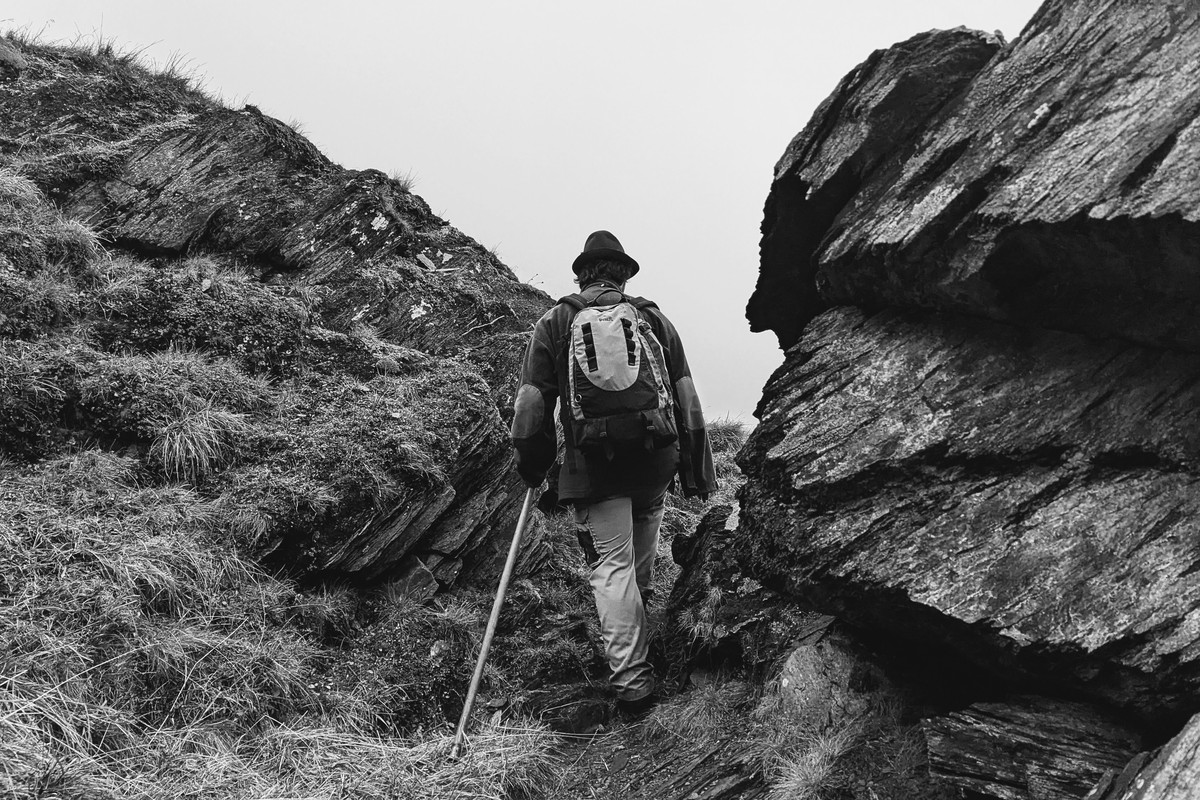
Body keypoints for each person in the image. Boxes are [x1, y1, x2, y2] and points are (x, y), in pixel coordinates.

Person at [510, 230, 718, 714]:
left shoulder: (556, 320)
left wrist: (533, 465)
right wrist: (694, 467)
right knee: (639, 559)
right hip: (654, 460)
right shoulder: (652, 319)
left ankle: (633, 683)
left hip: (593, 468)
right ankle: (639, 640)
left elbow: (531, 405)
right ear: (622, 274)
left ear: (582, 273)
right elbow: (686, 396)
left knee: (612, 569)